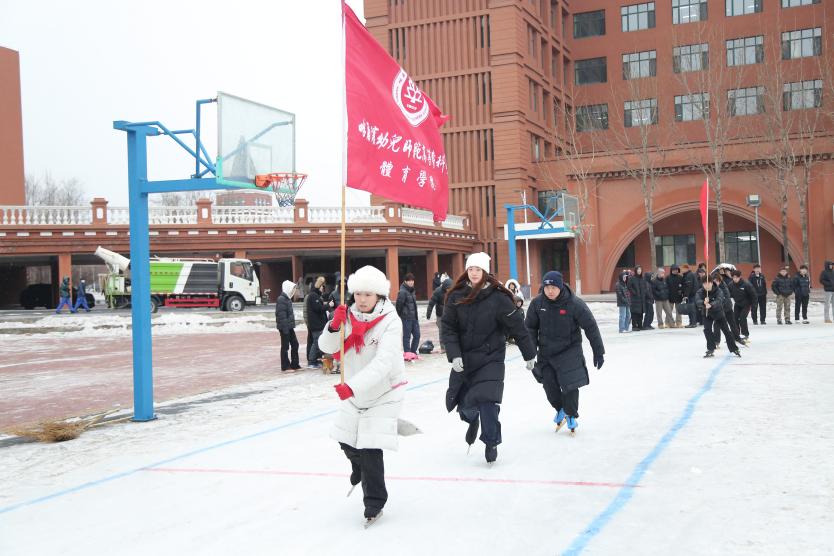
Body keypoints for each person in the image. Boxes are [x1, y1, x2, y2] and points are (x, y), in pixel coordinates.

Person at [318, 265, 406, 527]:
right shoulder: (347, 315)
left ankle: (374, 503)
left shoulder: (391, 321)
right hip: (355, 392)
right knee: (345, 440)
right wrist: (334, 326)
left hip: (384, 391)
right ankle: (358, 468)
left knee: (369, 448)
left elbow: (383, 364)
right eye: (358, 294)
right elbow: (326, 348)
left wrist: (352, 386)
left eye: (368, 294)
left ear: (379, 295)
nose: (362, 300)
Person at [441, 252, 536, 464]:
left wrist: (529, 354)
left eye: (478, 269)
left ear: (485, 271)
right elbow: (448, 328)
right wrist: (454, 354)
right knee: (465, 405)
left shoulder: (498, 298)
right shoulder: (456, 295)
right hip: (465, 359)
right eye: (470, 269)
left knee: (488, 402)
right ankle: (472, 419)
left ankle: (491, 442)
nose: (474, 273)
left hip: (490, 358)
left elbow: (517, 327)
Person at [525, 271, 604, 436]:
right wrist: (530, 353)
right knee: (549, 385)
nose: (550, 291)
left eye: (553, 287)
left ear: (560, 287)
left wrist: (598, 351)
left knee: (570, 385)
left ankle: (571, 414)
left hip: (569, 350)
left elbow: (590, 326)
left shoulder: (574, 304)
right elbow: (530, 328)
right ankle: (560, 408)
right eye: (547, 287)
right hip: (546, 352)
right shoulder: (537, 303)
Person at [695, 273, 741, 358]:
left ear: (712, 282)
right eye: (704, 284)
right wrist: (703, 303)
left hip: (718, 313)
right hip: (707, 314)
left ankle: (734, 348)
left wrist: (711, 304)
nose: (706, 285)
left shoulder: (718, 290)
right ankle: (711, 348)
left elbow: (719, 300)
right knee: (707, 330)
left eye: (708, 283)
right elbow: (697, 301)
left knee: (726, 331)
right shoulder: (700, 292)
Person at [275, 280, 302, 371]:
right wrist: (285, 329)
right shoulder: (281, 299)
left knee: (295, 344)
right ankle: (285, 366)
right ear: (288, 288)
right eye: (292, 289)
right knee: (285, 346)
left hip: (289, 327)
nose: (293, 291)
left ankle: (295, 364)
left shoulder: (287, 299)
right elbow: (281, 316)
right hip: (284, 327)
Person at [305, 277, 329, 367]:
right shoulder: (313, 296)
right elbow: (318, 308)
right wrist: (328, 305)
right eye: (323, 286)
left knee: (318, 342)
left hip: (318, 324)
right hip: (316, 324)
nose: (323, 289)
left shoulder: (316, 296)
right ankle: (311, 361)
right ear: (320, 286)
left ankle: (315, 360)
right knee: (316, 343)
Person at [395, 273, 420, 355]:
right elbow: (398, 305)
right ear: (405, 281)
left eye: (412, 280)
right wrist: (401, 315)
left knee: (417, 335)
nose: (411, 282)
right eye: (409, 281)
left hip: (414, 317)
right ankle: (407, 353)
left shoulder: (412, 290)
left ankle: (413, 352)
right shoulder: (402, 292)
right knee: (407, 336)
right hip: (406, 318)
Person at [426, 276, 452, 353]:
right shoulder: (438, 291)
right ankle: (443, 348)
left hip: (450, 314)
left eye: (450, 289)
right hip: (440, 315)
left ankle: (451, 346)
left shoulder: (453, 291)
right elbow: (431, 303)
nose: (448, 290)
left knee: (451, 331)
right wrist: (428, 314)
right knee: (442, 331)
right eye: (447, 289)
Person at [729, 270, 755, 339]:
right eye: (733, 277)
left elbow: (753, 295)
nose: (735, 279)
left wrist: (753, 306)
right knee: (735, 318)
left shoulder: (746, 284)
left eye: (736, 277)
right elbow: (728, 293)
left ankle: (745, 334)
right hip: (737, 304)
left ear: (740, 277)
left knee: (742, 318)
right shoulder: (731, 285)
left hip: (746, 304)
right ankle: (736, 334)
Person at [627, 265, 648, 331]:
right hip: (635, 299)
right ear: (636, 270)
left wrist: (644, 292)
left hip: (641, 299)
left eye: (640, 269)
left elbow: (645, 287)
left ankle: (640, 325)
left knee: (640, 312)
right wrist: (634, 292)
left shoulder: (642, 279)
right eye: (638, 269)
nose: (639, 271)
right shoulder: (632, 278)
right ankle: (634, 326)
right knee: (634, 313)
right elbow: (629, 286)